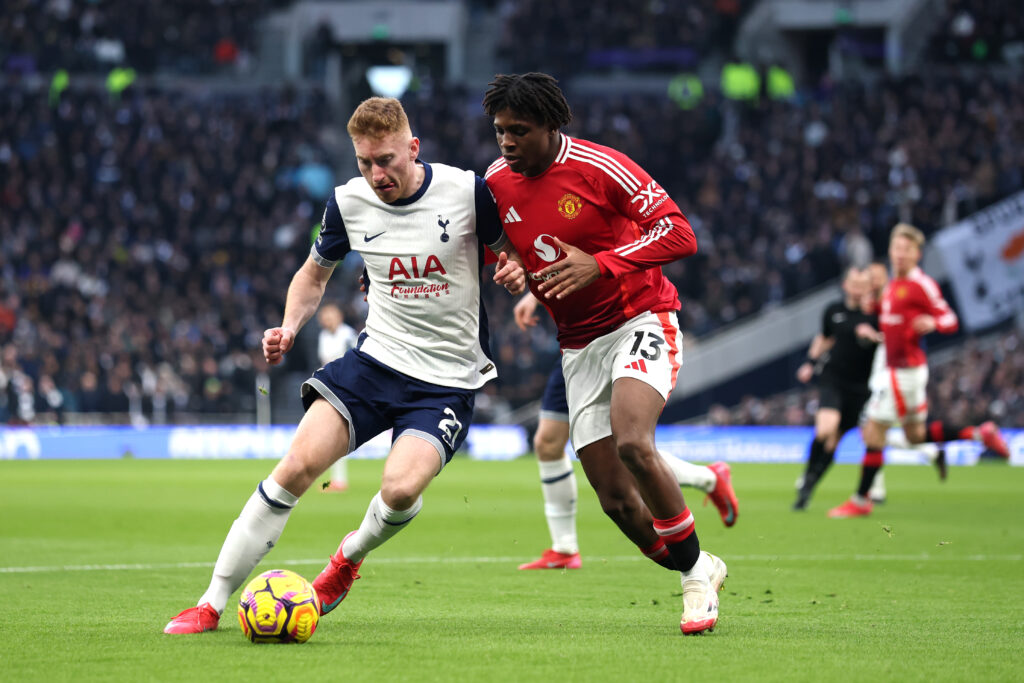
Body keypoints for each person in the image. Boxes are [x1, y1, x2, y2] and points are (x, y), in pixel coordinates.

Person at [164, 96, 525, 634]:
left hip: (447, 379)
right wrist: (289, 327)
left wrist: (516, 272)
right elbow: (314, 276)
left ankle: (348, 557)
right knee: (293, 469)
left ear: (413, 148)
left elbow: (513, 250)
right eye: (364, 163)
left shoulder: (467, 191)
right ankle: (211, 603)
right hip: (375, 362)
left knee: (401, 490)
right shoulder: (348, 203)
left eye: (386, 160)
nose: (376, 174)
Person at [482, 72, 726, 634]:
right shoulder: (496, 181)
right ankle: (698, 564)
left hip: (640, 318)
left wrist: (603, 262)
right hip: (577, 346)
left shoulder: (600, 167)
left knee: (634, 442)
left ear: (551, 125)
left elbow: (680, 233)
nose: (507, 142)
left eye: (519, 130)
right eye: (500, 131)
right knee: (617, 503)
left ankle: (694, 585)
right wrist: (512, 266)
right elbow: (500, 248)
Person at [513, 291, 738, 570]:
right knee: (548, 443)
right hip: (577, 347)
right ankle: (565, 547)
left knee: (626, 445)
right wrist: (533, 293)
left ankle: (707, 481)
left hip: (623, 330)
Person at [828, 224, 1008, 519]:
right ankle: (979, 433)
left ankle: (861, 500)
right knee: (914, 436)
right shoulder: (891, 288)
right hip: (901, 372)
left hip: (904, 373)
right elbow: (889, 320)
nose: (899, 254)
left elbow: (949, 318)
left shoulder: (920, 284)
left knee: (873, 432)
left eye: (906, 250)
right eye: (896, 248)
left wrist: (933, 323)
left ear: (917, 254)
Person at [792, 267, 878, 510]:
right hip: (833, 380)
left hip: (860, 388)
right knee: (824, 430)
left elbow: (884, 340)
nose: (859, 289)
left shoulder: (874, 315)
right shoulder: (834, 311)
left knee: (833, 443)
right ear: (846, 285)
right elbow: (825, 337)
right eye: (855, 284)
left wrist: (872, 336)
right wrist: (810, 362)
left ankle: (809, 486)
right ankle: (808, 478)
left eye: (863, 285)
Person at [316, 302, 359, 492]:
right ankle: (338, 480)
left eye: (330, 317)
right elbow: (325, 362)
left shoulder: (348, 335)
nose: (327, 321)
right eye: (324, 318)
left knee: (337, 436)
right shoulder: (323, 336)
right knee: (335, 436)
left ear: (339, 317)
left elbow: (356, 360)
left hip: (349, 388)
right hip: (333, 388)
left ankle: (339, 480)